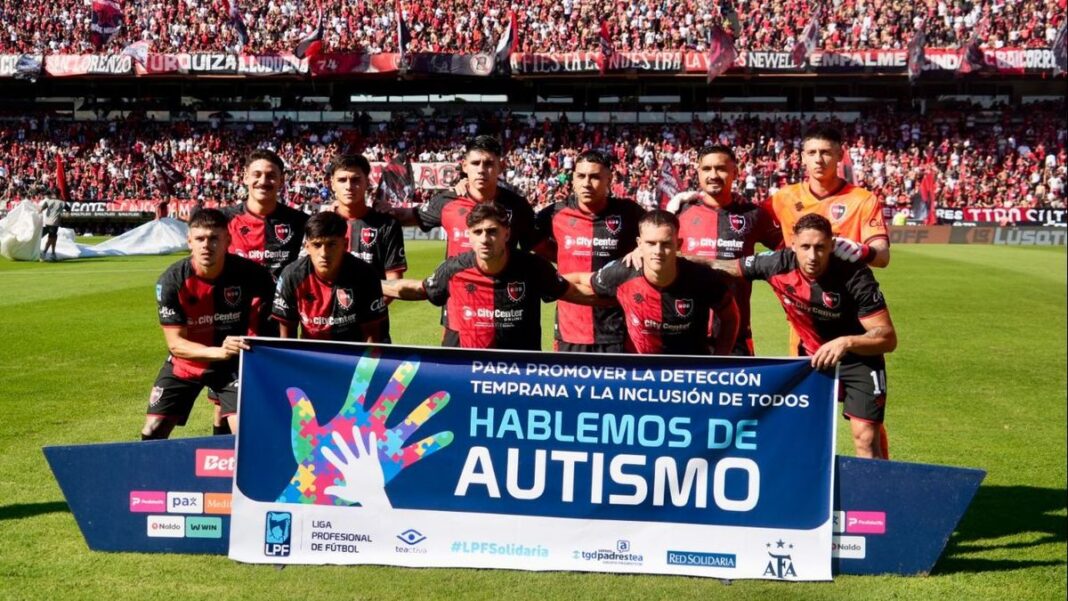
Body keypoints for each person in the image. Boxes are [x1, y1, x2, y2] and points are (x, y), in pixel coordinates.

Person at [709, 213, 897, 459]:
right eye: (805, 247)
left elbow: (887, 337)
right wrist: (674, 259)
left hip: (858, 357)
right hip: (812, 359)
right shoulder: (777, 263)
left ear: (831, 244)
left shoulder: (855, 275)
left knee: (866, 437)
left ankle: (874, 496)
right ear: (793, 244)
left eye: (820, 247)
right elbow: (726, 267)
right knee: (805, 434)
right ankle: (812, 494)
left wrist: (847, 342)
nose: (812, 256)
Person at [382, 203, 590, 350]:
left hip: (520, 376)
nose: (485, 239)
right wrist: (371, 283)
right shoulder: (454, 269)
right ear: (469, 236)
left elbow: (574, 292)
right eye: (478, 232)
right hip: (471, 373)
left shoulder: (532, 266)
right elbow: (419, 289)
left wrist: (612, 294)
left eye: (492, 231)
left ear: (506, 234)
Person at [143, 209, 274, 440]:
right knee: (152, 431)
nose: (207, 245)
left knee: (244, 436)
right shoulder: (172, 280)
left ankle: (231, 475)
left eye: (214, 238)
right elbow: (175, 344)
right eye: (200, 239)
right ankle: (150, 477)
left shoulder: (253, 275)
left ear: (228, 241)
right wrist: (218, 351)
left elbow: (265, 326)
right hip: (187, 363)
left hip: (234, 365)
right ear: (189, 242)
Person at [568, 210, 739, 356]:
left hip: (691, 373)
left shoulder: (702, 278)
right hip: (642, 373)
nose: (658, 251)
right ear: (639, 244)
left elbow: (730, 317)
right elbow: (582, 281)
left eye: (665, 244)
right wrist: (549, 282)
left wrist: (719, 359)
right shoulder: (623, 272)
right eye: (650, 243)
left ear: (678, 244)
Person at [666, 145, 782, 355]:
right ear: (698, 172)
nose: (713, 175)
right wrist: (667, 213)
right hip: (685, 333)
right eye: (707, 169)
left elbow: (787, 252)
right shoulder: (679, 212)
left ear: (735, 172)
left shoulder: (754, 215)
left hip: (736, 334)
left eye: (721, 168)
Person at [532, 150, 645, 353]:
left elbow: (661, 235)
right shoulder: (555, 213)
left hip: (618, 327)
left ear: (609, 179)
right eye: (581, 176)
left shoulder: (628, 212)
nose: (586, 183)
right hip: (570, 329)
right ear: (573, 178)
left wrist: (642, 248)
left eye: (594, 176)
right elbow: (530, 241)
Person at [378, 135, 536, 259]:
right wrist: (387, 210)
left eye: (488, 164)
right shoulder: (447, 201)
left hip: (503, 297)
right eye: (475, 163)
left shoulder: (518, 206)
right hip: (458, 298)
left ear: (501, 167)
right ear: (465, 166)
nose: (481, 170)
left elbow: (540, 247)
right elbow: (407, 217)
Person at [769, 127, 890, 267]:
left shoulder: (863, 199)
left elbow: (882, 257)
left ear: (840, 155)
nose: (818, 159)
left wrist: (861, 250)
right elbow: (747, 220)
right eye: (812, 153)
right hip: (796, 287)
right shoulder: (783, 197)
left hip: (845, 287)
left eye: (825, 152)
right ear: (803, 158)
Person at [272, 212, 388, 342]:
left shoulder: (365, 275)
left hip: (353, 356)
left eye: (331, 244)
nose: (324, 253)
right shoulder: (291, 276)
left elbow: (371, 336)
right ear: (307, 247)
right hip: (313, 355)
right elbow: (287, 336)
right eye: (317, 245)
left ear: (345, 244)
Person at [226, 148, 309, 280]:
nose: (263, 181)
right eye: (257, 175)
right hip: (238, 299)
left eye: (271, 176)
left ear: (281, 181)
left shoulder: (301, 221)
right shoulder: (224, 219)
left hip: (282, 299)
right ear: (245, 178)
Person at [324, 153, 407, 281]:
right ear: (332, 184)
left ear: (367, 182)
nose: (349, 186)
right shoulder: (322, 223)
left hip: (374, 301)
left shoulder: (387, 224)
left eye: (355, 180)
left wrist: (371, 302)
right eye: (342, 180)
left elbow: (393, 280)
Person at [37, 196, 66, 262]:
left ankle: (53, 253)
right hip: (54, 223)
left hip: (46, 222)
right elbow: (68, 209)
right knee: (52, 238)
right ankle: (44, 253)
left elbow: (41, 209)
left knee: (53, 237)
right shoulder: (61, 202)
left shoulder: (48, 201)